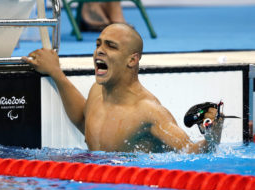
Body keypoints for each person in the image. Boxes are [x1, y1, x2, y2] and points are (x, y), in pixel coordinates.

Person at [22, 23, 224, 153]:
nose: (100, 50)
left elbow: (190, 152)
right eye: (98, 44)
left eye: (111, 46)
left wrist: (213, 137)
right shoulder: (97, 92)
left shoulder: (148, 111)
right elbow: (85, 121)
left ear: (132, 59)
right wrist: (56, 73)